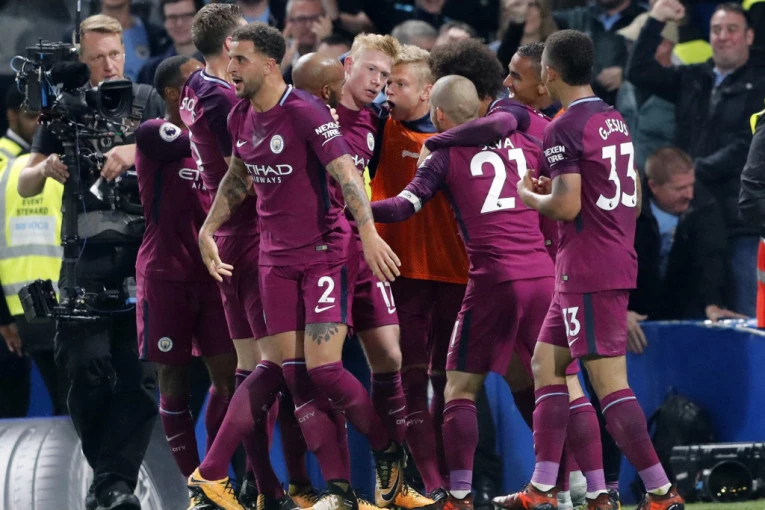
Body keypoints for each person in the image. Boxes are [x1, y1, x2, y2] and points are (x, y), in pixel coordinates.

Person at [188, 22, 403, 510]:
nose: (230, 67)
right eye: (230, 58)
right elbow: (238, 176)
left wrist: (369, 233)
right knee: (280, 370)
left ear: (269, 65)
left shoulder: (305, 112)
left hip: (324, 256)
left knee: (324, 372)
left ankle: (387, 451)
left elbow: (347, 176)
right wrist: (207, 229)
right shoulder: (240, 115)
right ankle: (229, 478)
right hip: (274, 261)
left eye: (240, 59)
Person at [494, 29, 684, 510]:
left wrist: (530, 195)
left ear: (550, 73)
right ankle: (542, 489)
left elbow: (566, 206)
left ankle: (661, 492)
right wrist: (564, 193)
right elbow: (631, 196)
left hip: (588, 268)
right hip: (600, 259)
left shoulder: (563, 126)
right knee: (546, 364)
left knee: (608, 384)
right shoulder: (611, 117)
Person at [371, 74, 555, 510]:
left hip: (492, 278)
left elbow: (402, 207)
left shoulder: (443, 154)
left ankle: (458, 495)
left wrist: (354, 209)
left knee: (458, 387)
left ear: (437, 114)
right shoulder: (522, 141)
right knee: (553, 384)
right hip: (543, 275)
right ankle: (568, 487)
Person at [17, 13, 165, 510]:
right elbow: (25, 183)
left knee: (140, 376)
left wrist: (134, 149)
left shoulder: (147, 100)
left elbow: (180, 151)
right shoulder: (64, 108)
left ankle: (113, 484)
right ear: (81, 62)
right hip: (83, 257)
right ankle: (110, 479)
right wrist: (46, 167)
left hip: (143, 255)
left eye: (115, 54)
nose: (109, 65)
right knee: (82, 367)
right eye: (97, 58)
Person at [181, 5, 311, 508]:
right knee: (277, 366)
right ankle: (215, 473)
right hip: (256, 238)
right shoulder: (225, 101)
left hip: (228, 238)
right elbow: (248, 171)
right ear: (231, 45)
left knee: (248, 367)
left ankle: (265, 487)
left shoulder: (196, 87)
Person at [336, 34, 434, 509]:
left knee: (397, 363)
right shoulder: (321, 112)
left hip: (377, 256)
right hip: (329, 254)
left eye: (389, 78)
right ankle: (329, 486)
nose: (381, 86)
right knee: (314, 372)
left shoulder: (382, 121)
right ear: (347, 64)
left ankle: (396, 486)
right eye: (374, 73)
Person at [369, 43, 470, 503]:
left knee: (450, 383)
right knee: (410, 379)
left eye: (399, 83)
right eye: (387, 82)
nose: (388, 91)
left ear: (429, 92)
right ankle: (432, 485)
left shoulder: (459, 138)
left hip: (456, 274)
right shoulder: (378, 128)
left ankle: (456, 482)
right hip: (402, 273)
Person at [134, 53, 240, 487]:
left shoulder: (212, 136)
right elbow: (210, 142)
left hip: (213, 273)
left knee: (230, 378)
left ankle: (220, 478)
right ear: (174, 94)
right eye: (196, 78)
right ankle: (192, 485)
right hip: (165, 274)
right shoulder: (154, 132)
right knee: (173, 378)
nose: (207, 83)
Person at [627, 0, 765, 317]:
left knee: (746, 313)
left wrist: (688, 174)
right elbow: (639, 71)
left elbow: (746, 146)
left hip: (739, 219)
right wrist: (655, 20)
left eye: (732, 29)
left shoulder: (761, 84)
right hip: (692, 217)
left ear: (749, 36)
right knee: (694, 312)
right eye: (716, 30)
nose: (723, 36)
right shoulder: (695, 76)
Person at [0, 87, 67, 419]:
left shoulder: (53, 158)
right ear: (11, 115)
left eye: (44, 117)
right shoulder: (8, 163)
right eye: (30, 116)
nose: (39, 124)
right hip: (19, 306)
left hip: (54, 300)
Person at [137, 0, 202, 85]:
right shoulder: (151, 71)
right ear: (164, 22)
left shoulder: (218, 64)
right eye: (172, 18)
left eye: (187, 16)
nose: (179, 24)